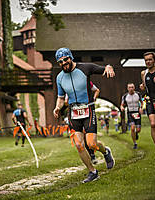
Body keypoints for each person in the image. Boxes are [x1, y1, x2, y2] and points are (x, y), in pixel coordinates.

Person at [53, 47, 115, 183]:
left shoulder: (85, 68)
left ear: (71, 57)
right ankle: (92, 172)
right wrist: (57, 107)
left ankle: (106, 152)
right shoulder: (59, 78)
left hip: (88, 109)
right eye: (60, 62)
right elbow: (61, 97)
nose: (63, 63)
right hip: (73, 112)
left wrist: (109, 67)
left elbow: (103, 68)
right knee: (79, 145)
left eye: (65, 59)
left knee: (91, 144)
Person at [140, 52, 155, 151]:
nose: (148, 62)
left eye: (150, 59)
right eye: (146, 60)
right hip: (150, 100)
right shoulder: (143, 73)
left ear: (154, 60)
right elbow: (144, 85)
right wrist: (142, 86)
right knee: (153, 124)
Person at [120, 83, 143, 149]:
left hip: (137, 113)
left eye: (132, 87)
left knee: (138, 130)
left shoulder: (138, 94)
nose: (131, 89)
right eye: (129, 87)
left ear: (134, 88)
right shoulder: (125, 96)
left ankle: (136, 134)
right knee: (132, 128)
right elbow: (122, 104)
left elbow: (142, 102)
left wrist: (141, 108)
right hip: (130, 113)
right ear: (127, 88)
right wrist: (122, 107)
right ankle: (135, 143)